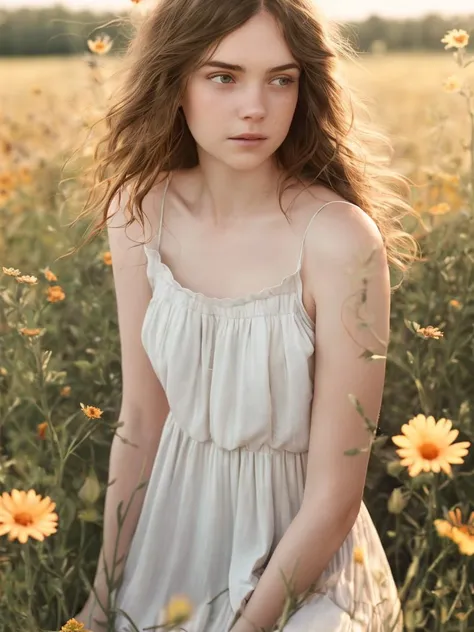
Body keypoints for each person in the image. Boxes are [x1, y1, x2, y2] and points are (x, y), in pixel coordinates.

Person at [73, 0, 420, 630]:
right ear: (175, 82)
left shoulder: (339, 240)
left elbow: (335, 496)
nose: (255, 107)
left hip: (305, 562)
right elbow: (142, 420)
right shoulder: (139, 212)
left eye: (280, 79)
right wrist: (101, 600)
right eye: (223, 76)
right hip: (173, 542)